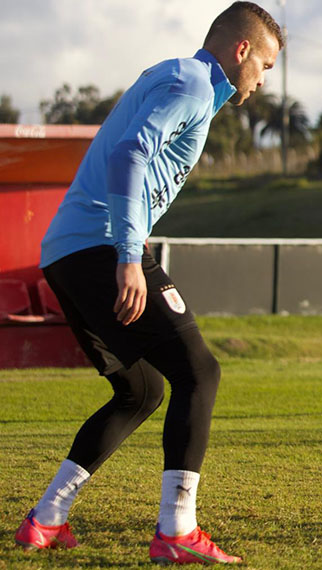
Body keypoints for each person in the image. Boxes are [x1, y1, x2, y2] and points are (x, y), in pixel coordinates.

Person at [14, 2, 282, 564]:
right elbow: (130, 153)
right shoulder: (189, 80)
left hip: (66, 252)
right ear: (241, 51)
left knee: (142, 390)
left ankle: (46, 519)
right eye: (266, 64)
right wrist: (130, 256)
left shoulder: (180, 82)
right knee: (200, 371)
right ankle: (177, 530)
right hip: (102, 246)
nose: (263, 81)